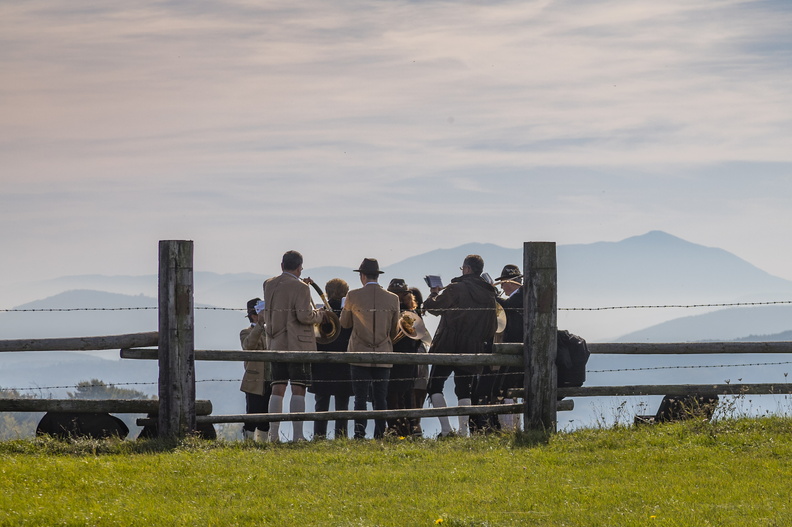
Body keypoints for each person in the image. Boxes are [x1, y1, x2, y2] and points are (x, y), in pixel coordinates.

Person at [424, 254, 498, 437]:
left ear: (467, 269)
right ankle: (464, 432)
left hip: (447, 345)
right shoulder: (489, 294)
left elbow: (433, 308)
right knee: (464, 389)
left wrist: (434, 294)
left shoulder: (456, 288)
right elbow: (492, 327)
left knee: (434, 386)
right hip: (473, 347)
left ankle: (446, 430)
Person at [262, 250, 327, 442]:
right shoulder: (301, 288)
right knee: (299, 387)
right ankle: (297, 435)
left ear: (282, 265)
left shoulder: (268, 283)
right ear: (300, 268)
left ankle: (273, 435)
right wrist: (320, 313)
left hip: (275, 342)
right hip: (297, 343)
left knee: (277, 387)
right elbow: (304, 316)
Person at [340, 258, 400, 439]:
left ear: (362, 276)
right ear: (377, 275)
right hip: (383, 353)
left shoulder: (353, 295)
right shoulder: (393, 298)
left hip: (359, 352)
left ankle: (359, 433)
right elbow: (394, 330)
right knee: (381, 398)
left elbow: (344, 323)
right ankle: (380, 434)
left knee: (360, 398)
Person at [310, 278, 354, 439]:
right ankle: (341, 436)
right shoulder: (348, 312)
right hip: (344, 362)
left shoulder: (320, 312)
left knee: (321, 403)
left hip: (322, 362)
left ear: (327, 292)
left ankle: (319, 436)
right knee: (342, 405)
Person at [385, 278, 421, 437]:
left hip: (394, 357)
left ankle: (396, 429)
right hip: (410, 359)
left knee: (393, 395)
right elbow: (419, 336)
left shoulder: (392, 310)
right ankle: (410, 428)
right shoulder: (413, 311)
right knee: (408, 394)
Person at [493, 264, 524, 431]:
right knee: (509, 387)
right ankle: (512, 427)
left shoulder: (521, 293)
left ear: (509, 282)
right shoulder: (521, 293)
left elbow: (509, 304)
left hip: (517, 346)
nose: (502, 287)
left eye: (503, 283)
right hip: (514, 346)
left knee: (507, 387)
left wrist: (493, 297)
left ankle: (509, 427)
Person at [239, 297, 272, 441]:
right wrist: (260, 325)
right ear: (254, 315)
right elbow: (249, 345)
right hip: (254, 379)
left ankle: (263, 441)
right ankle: (248, 440)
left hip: (270, 378)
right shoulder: (245, 332)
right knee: (252, 413)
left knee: (266, 415)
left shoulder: (270, 331)